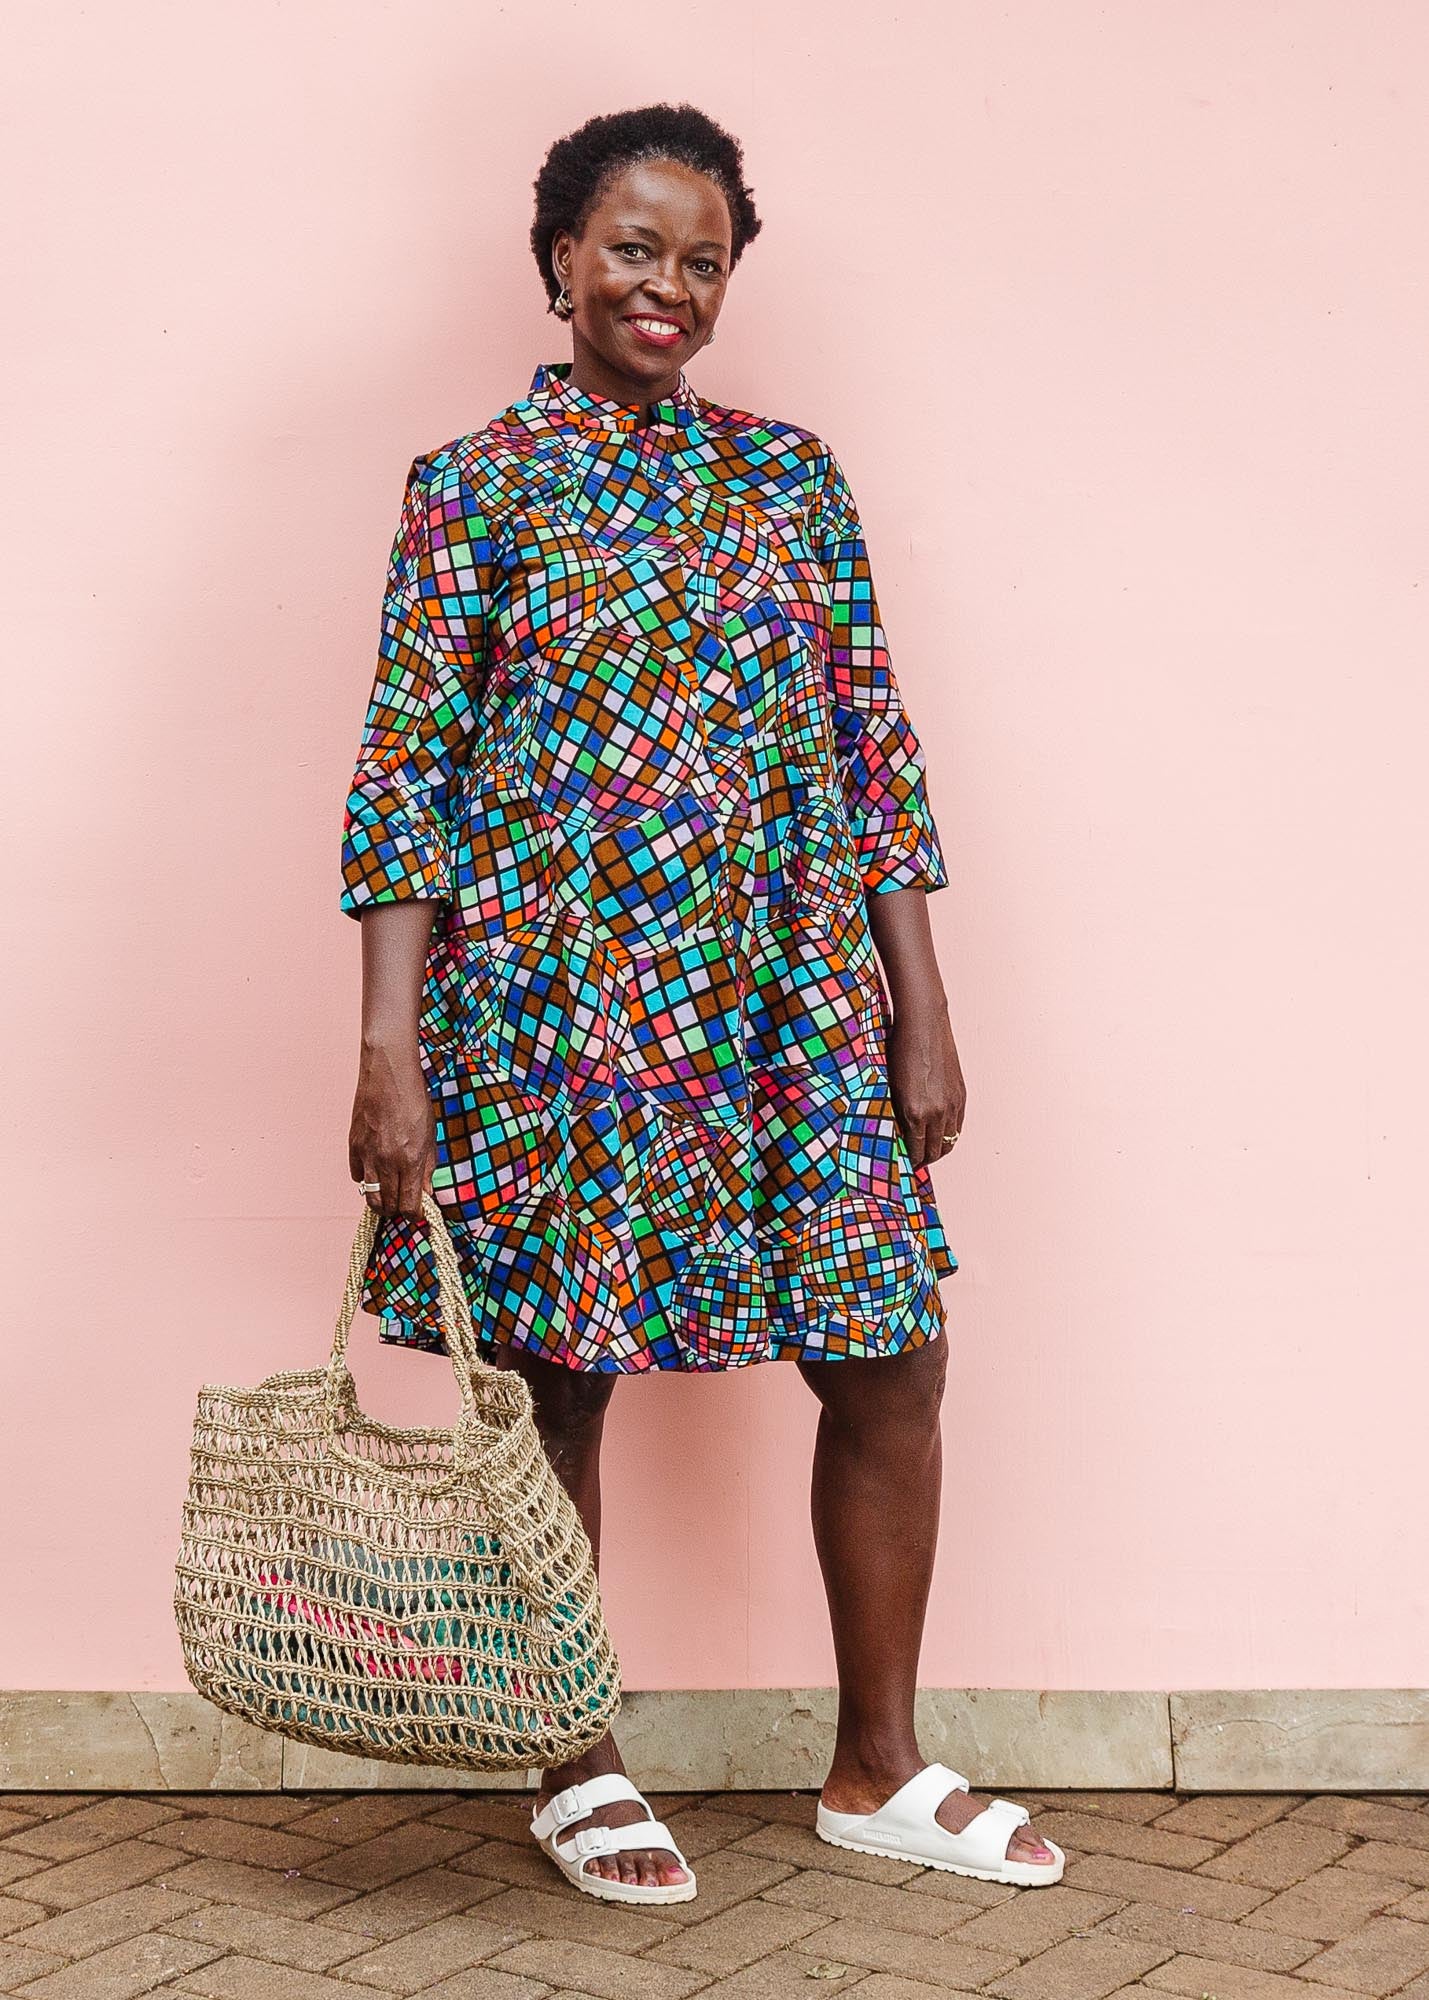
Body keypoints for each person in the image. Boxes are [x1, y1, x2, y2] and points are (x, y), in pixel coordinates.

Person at [339, 101, 1062, 1906]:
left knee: (891, 1351)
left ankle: (876, 1764)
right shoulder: (473, 483)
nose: (667, 283)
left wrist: (918, 1001)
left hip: (785, 1001)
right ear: (560, 261)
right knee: (558, 1386)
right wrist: (387, 1048)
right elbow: (406, 776)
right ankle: (573, 1761)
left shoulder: (790, 478)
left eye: (704, 259)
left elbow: (869, 746)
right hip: (558, 1005)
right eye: (634, 248)